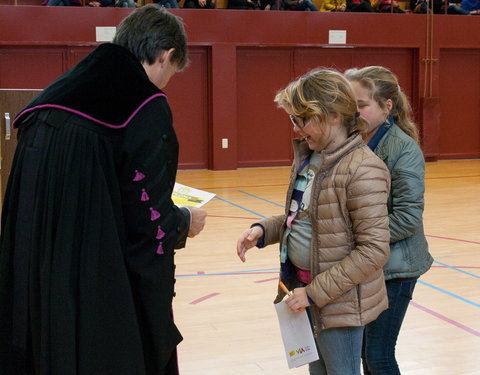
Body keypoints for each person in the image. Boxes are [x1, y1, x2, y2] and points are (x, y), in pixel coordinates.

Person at [0, 5, 207, 375]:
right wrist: (183, 221)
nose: (166, 83)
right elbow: (149, 224)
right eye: (172, 73)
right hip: (96, 285)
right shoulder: (144, 105)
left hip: (37, 278)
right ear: (167, 55)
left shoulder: (51, 100)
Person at [237, 69, 391, 375]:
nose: (297, 129)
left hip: (339, 305)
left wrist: (314, 292)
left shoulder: (363, 169)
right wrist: (264, 230)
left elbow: (374, 250)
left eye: (302, 119)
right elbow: (305, 218)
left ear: (333, 115)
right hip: (302, 292)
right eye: (293, 120)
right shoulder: (311, 159)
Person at [345, 66, 433, 375]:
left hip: (396, 269)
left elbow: (407, 217)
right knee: (365, 353)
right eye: (348, 104)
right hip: (368, 264)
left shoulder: (403, 149)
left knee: (378, 356)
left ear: (387, 107)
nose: (353, 112)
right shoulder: (352, 142)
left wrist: (358, 239)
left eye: (361, 105)